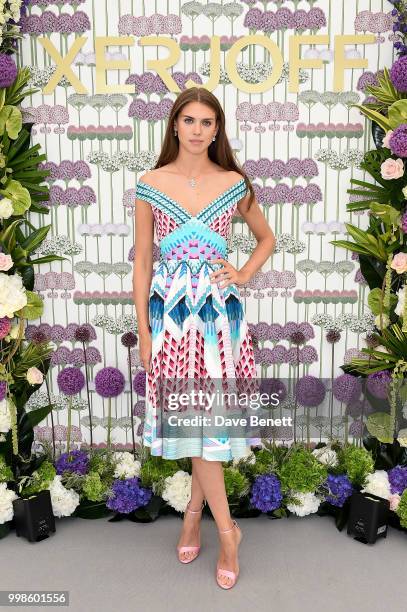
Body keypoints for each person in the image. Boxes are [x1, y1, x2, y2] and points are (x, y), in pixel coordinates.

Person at [133, 86, 275, 589]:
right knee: (193, 419)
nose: (197, 130)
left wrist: (243, 273)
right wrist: (145, 331)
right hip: (170, 317)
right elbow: (144, 260)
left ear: (217, 130)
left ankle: (212, 522)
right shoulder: (150, 183)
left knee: (204, 421)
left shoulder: (234, 183)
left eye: (207, 122)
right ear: (174, 124)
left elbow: (267, 238)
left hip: (219, 319)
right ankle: (219, 524)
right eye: (189, 120)